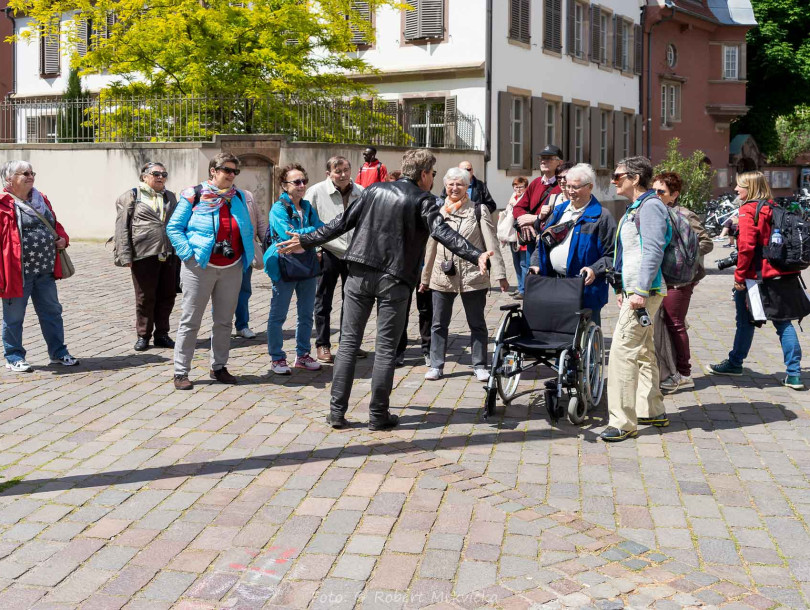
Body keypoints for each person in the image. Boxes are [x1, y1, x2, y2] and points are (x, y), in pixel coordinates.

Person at [277, 149, 494, 431]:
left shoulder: (373, 190)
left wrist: (306, 240)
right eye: (434, 174)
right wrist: (474, 253)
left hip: (358, 273)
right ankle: (378, 414)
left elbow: (340, 224)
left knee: (349, 343)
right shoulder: (424, 199)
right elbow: (444, 233)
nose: (433, 179)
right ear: (425, 174)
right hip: (395, 279)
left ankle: (336, 412)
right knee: (385, 347)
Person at [707, 171, 804, 390]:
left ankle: (735, 363)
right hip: (782, 274)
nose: (735, 189)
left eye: (739, 185)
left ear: (749, 187)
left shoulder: (749, 210)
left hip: (757, 277)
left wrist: (739, 277)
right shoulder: (772, 207)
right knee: (784, 323)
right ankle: (794, 374)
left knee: (745, 321)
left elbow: (747, 247)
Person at [167, 152, 254, 390]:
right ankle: (181, 371)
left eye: (235, 171)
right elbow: (174, 227)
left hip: (232, 266)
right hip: (200, 267)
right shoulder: (193, 195)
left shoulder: (239, 197)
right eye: (227, 170)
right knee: (190, 321)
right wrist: (188, 255)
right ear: (213, 171)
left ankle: (219, 367)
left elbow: (246, 227)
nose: (231, 175)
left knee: (224, 321)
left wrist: (247, 256)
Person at [601, 156, 671, 442]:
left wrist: (640, 290)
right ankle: (651, 409)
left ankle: (622, 421)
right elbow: (627, 252)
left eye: (617, 176)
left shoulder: (651, 207)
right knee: (642, 350)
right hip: (637, 290)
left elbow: (653, 250)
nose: (613, 181)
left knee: (621, 352)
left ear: (634, 177)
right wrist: (622, 288)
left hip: (647, 290)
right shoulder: (636, 207)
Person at [422, 167, 508, 381]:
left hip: (473, 275)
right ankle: (436, 365)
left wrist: (500, 273)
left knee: (476, 323)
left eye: (459, 184)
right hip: (443, 275)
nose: (454, 187)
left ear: (467, 186)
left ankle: (479, 365)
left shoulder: (478, 210)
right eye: (450, 183)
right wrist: (425, 278)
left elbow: (492, 244)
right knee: (438, 323)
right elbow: (430, 247)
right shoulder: (438, 211)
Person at [0, 160, 79, 372]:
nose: (30, 175)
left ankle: (58, 353)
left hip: (45, 269)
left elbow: (55, 224)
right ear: (9, 179)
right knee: (14, 317)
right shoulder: (3, 204)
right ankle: (14, 356)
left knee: (52, 312)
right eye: (24, 173)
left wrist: (63, 238)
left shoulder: (41, 199)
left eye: (32, 172)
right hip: (16, 272)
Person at [529, 163, 616, 327]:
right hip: (556, 285)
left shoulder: (601, 217)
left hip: (584, 289)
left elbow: (612, 254)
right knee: (560, 332)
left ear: (590, 187)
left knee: (585, 333)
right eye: (567, 186)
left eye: (575, 187)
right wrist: (535, 264)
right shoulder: (559, 210)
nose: (569, 191)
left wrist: (594, 269)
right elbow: (542, 242)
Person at [652, 172, 713, 392]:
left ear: (674, 195)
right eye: (654, 190)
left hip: (679, 280)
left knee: (675, 322)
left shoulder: (684, 214)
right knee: (661, 325)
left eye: (662, 191)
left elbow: (706, 242)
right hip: (659, 278)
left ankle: (684, 373)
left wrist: (687, 259)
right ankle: (666, 369)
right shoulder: (654, 212)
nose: (656, 195)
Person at [305, 156, 366, 363]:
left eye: (346, 170)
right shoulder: (315, 191)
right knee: (323, 300)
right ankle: (323, 344)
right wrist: (316, 249)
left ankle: (349, 344)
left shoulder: (361, 192)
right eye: (338, 171)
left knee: (353, 301)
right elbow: (308, 222)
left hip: (354, 253)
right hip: (328, 251)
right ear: (328, 174)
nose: (342, 175)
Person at [264, 164, 324, 375]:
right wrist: (311, 232)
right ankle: (277, 358)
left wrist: (307, 233)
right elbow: (287, 233)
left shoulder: (307, 206)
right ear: (284, 185)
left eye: (304, 181)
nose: (301, 186)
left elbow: (322, 228)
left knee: (306, 313)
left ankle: (303, 355)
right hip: (285, 264)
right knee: (278, 315)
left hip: (306, 264)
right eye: (296, 182)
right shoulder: (278, 208)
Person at [115, 162, 179, 352]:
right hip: (143, 254)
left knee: (168, 295)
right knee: (145, 297)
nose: (160, 177)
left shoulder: (171, 196)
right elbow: (121, 227)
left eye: (164, 174)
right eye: (156, 173)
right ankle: (143, 335)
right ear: (144, 176)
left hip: (169, 253)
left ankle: (162, 334)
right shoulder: (132, 196)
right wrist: (125, 255)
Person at [513, 145, 564, 272]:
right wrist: (524, 222)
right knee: (532, 275)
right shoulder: (536, 183)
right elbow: (518, 207)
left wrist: (534, 218)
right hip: (532, 238)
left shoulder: (563, 185)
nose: (543, 161)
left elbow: (561, 215)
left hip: (552, 241)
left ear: (560, 162)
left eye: (548, 158)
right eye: (541, 158)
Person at [233, 189, 267, 340]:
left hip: (245, 250)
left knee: (244, 290)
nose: (231, 175)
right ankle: (220, 326)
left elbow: (259, 222)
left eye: (234, 171)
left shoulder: (246, 195)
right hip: (222, 253)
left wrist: (267, 244)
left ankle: (242, 325)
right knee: (221, 292)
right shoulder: (211, 195)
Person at [498, 177, 527, 297]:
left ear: (526, 187)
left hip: (522, 235)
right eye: (515, 186)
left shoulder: (526, 198)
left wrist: (516, 206)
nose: (518, 189)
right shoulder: (512, 198)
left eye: (521, 186)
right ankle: (520, 287)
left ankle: (525, 290)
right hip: (512, 235)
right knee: (516, 263)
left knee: (524, 263)